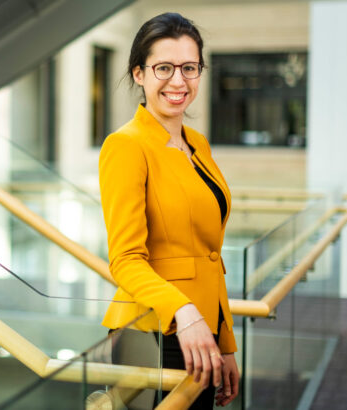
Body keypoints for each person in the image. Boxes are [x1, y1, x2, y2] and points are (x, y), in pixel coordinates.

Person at [99, 12, 239, 409]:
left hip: (201, 333)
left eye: (189, 68)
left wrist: (224, 342)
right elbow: (125, 260)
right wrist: (186, 313)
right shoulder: (125, 145)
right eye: (164, 67)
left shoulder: (197, 143)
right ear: (139, 74)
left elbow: (210, 257)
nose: (178, 81)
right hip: (153, 331)